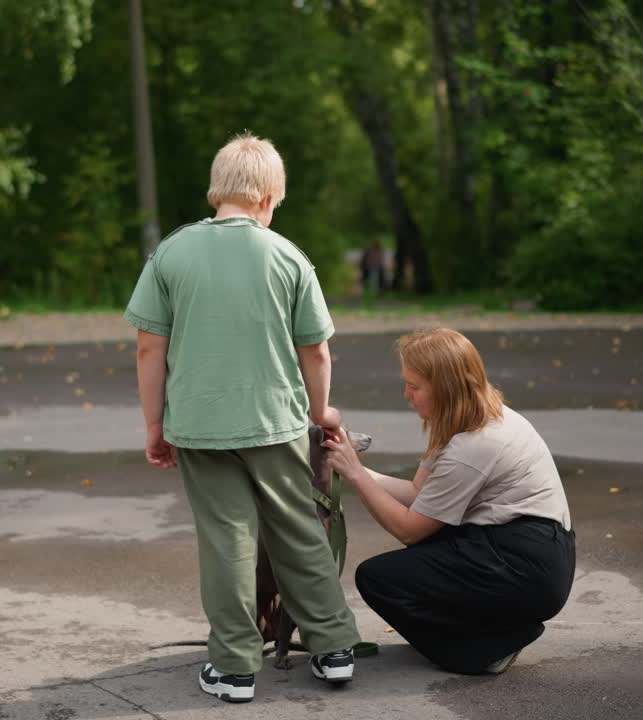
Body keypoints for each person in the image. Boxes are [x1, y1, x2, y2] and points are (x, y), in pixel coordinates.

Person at [125, 131, 362, 704]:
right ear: (267, 198)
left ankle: (233, 667)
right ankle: (333, 649)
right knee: (298, 528)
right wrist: (318, 410)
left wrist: (155, 426)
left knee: (226, 536)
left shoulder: (171, 254)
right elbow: (317, 350)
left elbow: (148, 349)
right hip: (277, 422)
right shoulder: (288, 257)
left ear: (219, 190)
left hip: (199, 427)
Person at [321, 328, 575, 675]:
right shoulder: (469, 418)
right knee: (417, 561)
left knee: (378, 579)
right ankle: (497, 628)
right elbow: (418, 494)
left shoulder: (474, 444)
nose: (406, 394)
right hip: (525, 549)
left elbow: (410, 530)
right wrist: (355, 464)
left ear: (445, 388)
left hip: (528, 567)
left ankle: (487, 648)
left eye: (415, 385)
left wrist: (356, 476)